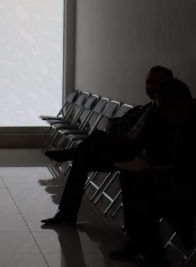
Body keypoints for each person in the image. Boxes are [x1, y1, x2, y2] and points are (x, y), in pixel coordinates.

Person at [110, 78, 196, 267]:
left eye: (164, 108)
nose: (162, 114)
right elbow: (182, 158)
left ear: (178, 103)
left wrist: (163, 170)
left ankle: (156, 258)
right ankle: (138, 242)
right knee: (131, 179)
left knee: (145, 192)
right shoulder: (186, 117)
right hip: (191, 178)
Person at [41, 66, 174, 226]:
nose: (149, 86)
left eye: (155, 82)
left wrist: (131, 140)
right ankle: (66, 214)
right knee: (82, 160)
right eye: (148, 82)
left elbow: (156, 143)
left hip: (136, 157)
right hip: (124, 150)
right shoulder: (148, 107)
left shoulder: (168, 111)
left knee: (97, 137)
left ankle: (69, 154)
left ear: (168, 84)